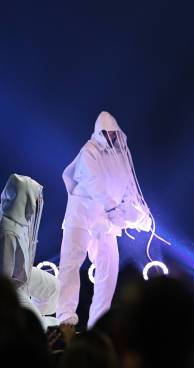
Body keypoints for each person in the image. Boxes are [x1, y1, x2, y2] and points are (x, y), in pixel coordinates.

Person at [57, 111, 153, 329]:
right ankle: (65, 317)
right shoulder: (88, 151)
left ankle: (98, 323)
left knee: (108, 270)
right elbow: (92, 181)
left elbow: (129, 190)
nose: (110, 136)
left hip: (105, 222)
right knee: (70, 264)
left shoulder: (122, 156)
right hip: (81, 215)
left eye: (113, 132)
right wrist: (112, 208)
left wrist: (139, 216)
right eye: (106, 132)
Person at [0, 174, 59, 331]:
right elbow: (4, 280)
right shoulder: (7, 231)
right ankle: (28, 325)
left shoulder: (22, 222)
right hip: (10, 286)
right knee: (38, 325)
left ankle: (28, 321)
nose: (37, 202)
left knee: (54, 288)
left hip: (21, 275)